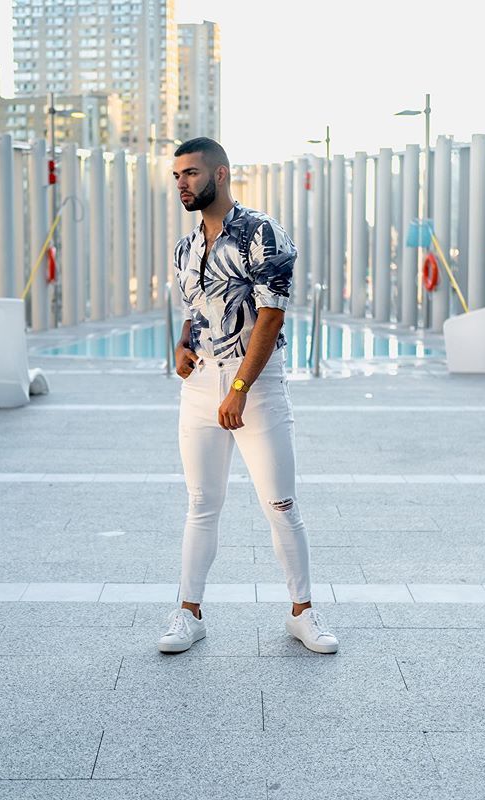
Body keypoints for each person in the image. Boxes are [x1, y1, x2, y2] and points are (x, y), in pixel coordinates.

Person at [157, 137, 338, 655]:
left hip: (255, 386)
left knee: (280, 503)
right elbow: (197, 310)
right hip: (199, 386)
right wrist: (182, 347)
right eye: (177, 176)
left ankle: (302, 613)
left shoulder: (262, 232)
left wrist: (239, 387)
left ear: (220, 173)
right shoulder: (185, 248)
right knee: (200, 502)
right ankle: (188, 613)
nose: (182, 184)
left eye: (191, 173)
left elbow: (271, 314)